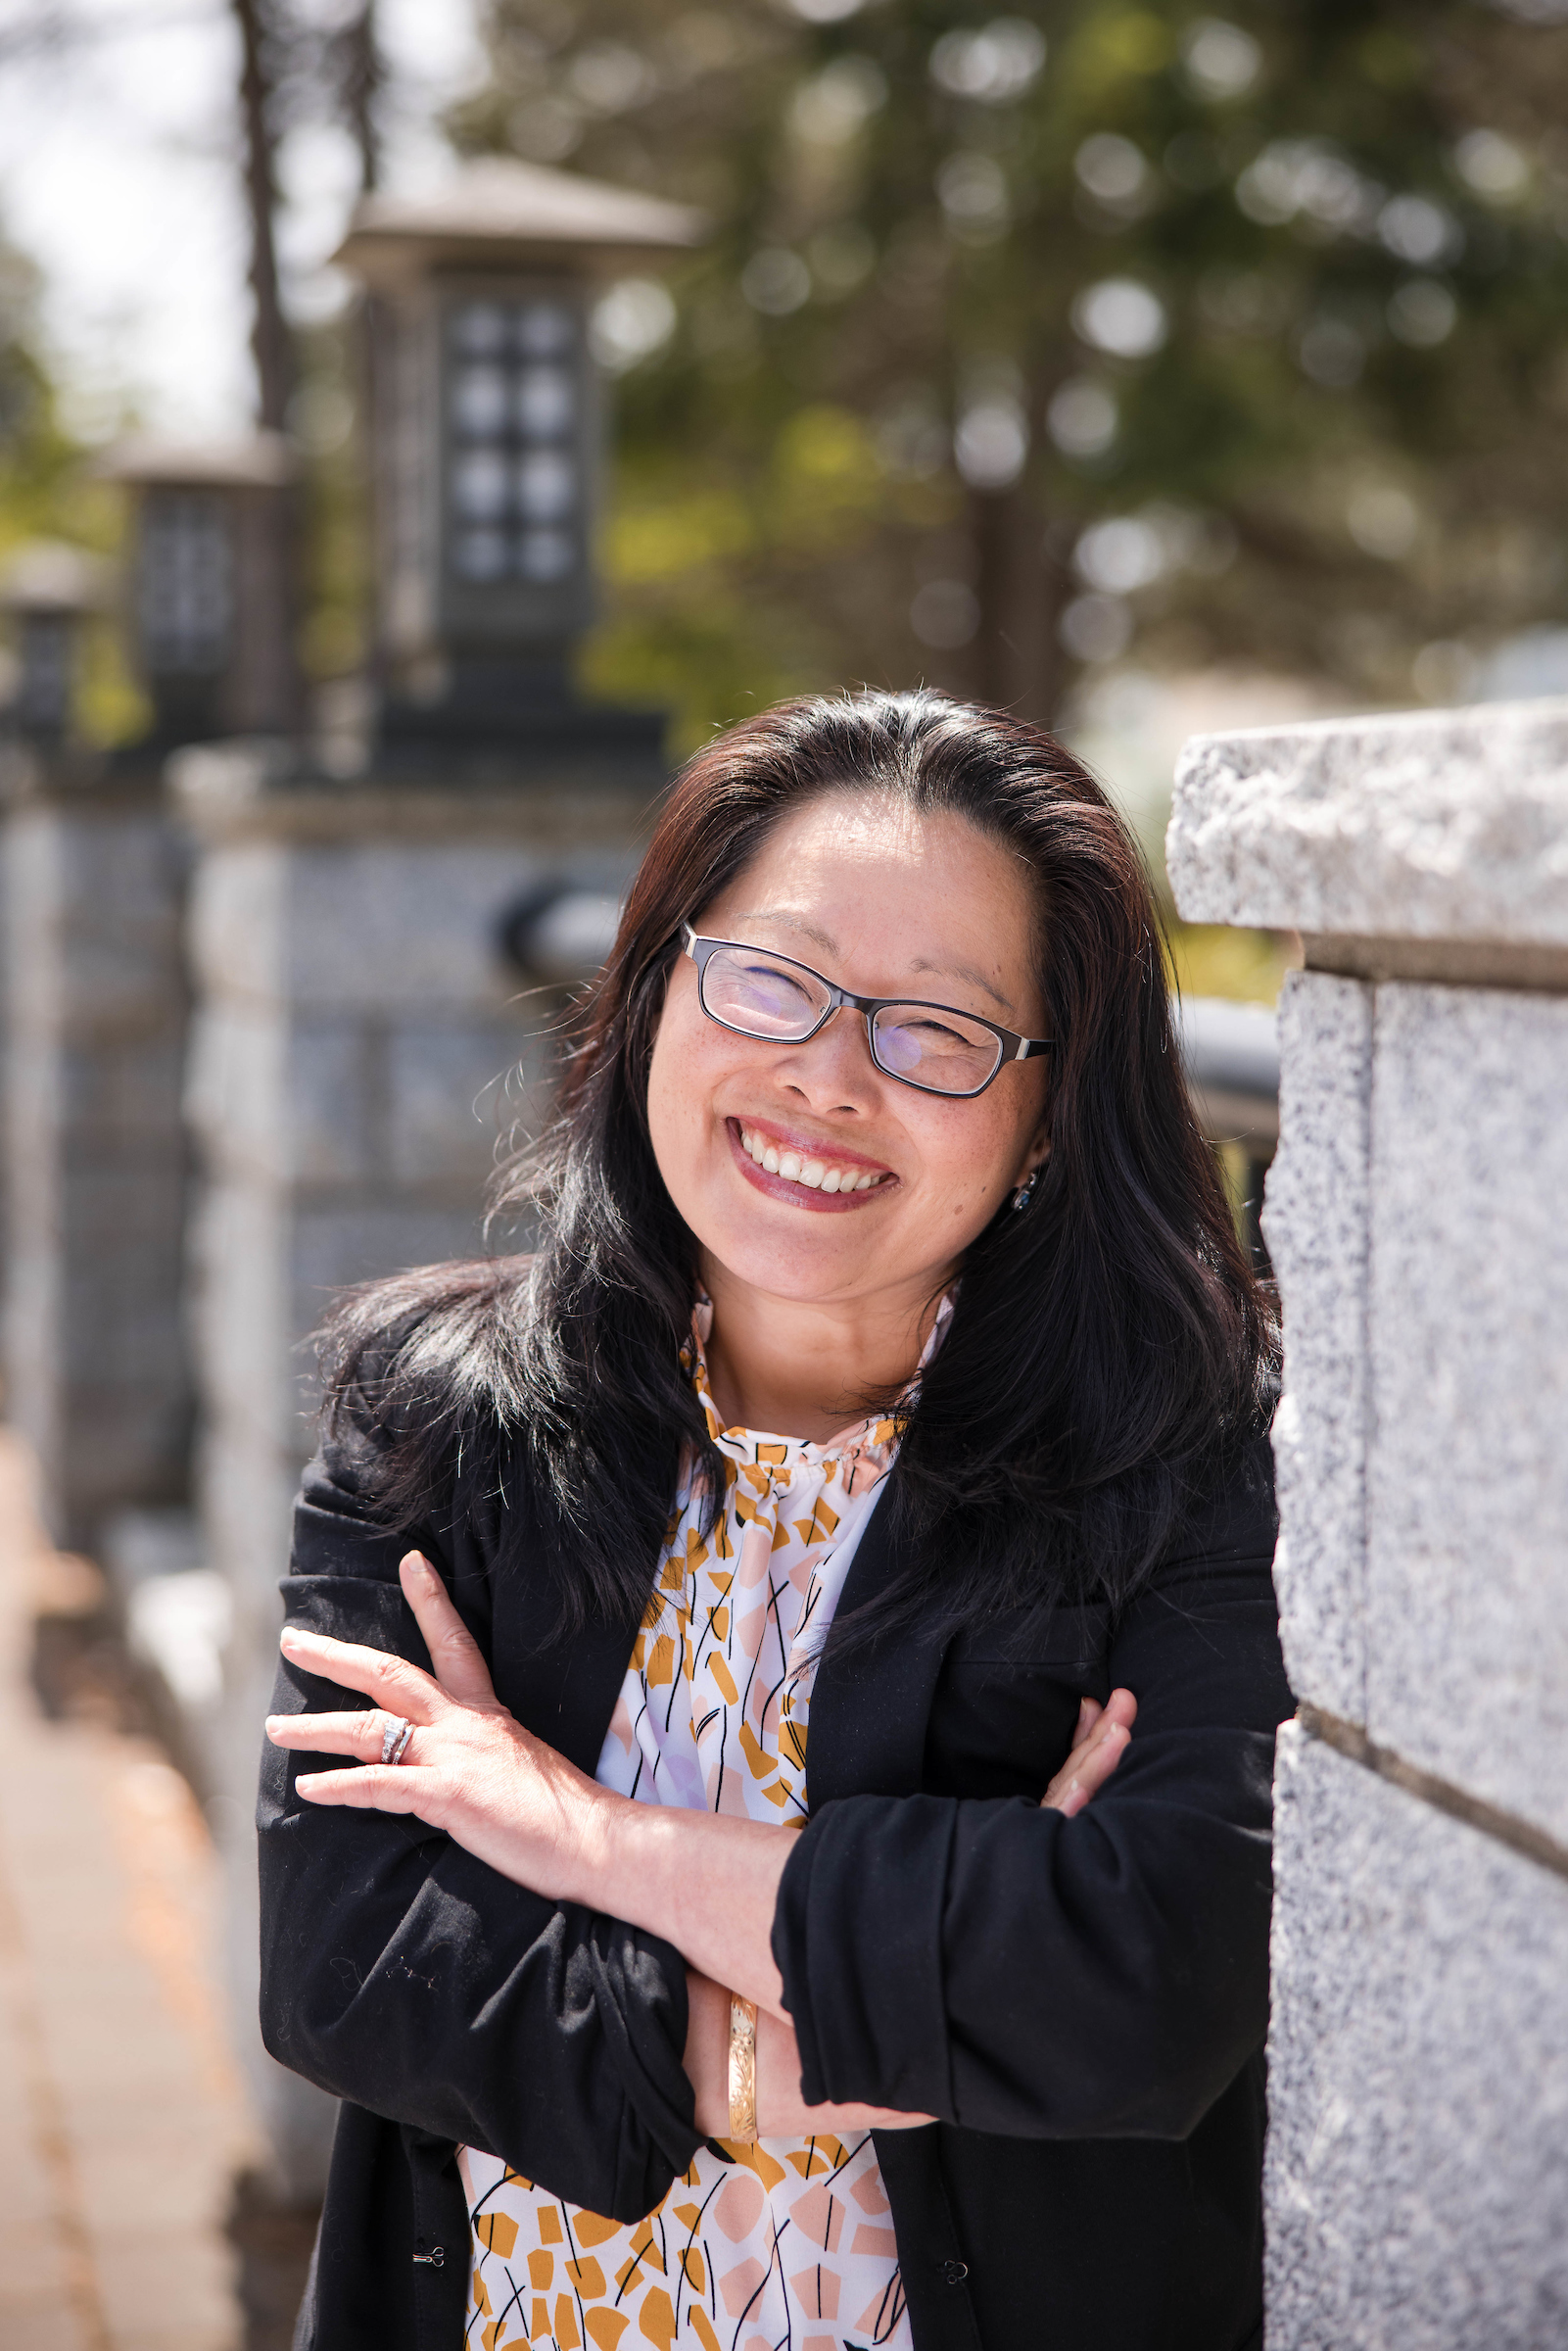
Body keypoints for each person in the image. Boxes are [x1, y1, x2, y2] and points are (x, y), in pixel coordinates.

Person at [260, 690, 1290, 2351]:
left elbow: (1142, 1979)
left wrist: (575, 1835)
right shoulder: (440, 1413)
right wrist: (834, 2027)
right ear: (659, 985)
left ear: (1044, 1110)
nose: (825, 1077)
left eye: (935, 1029)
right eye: (769, 980)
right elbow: (349, 1958)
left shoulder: (1183, 1461)